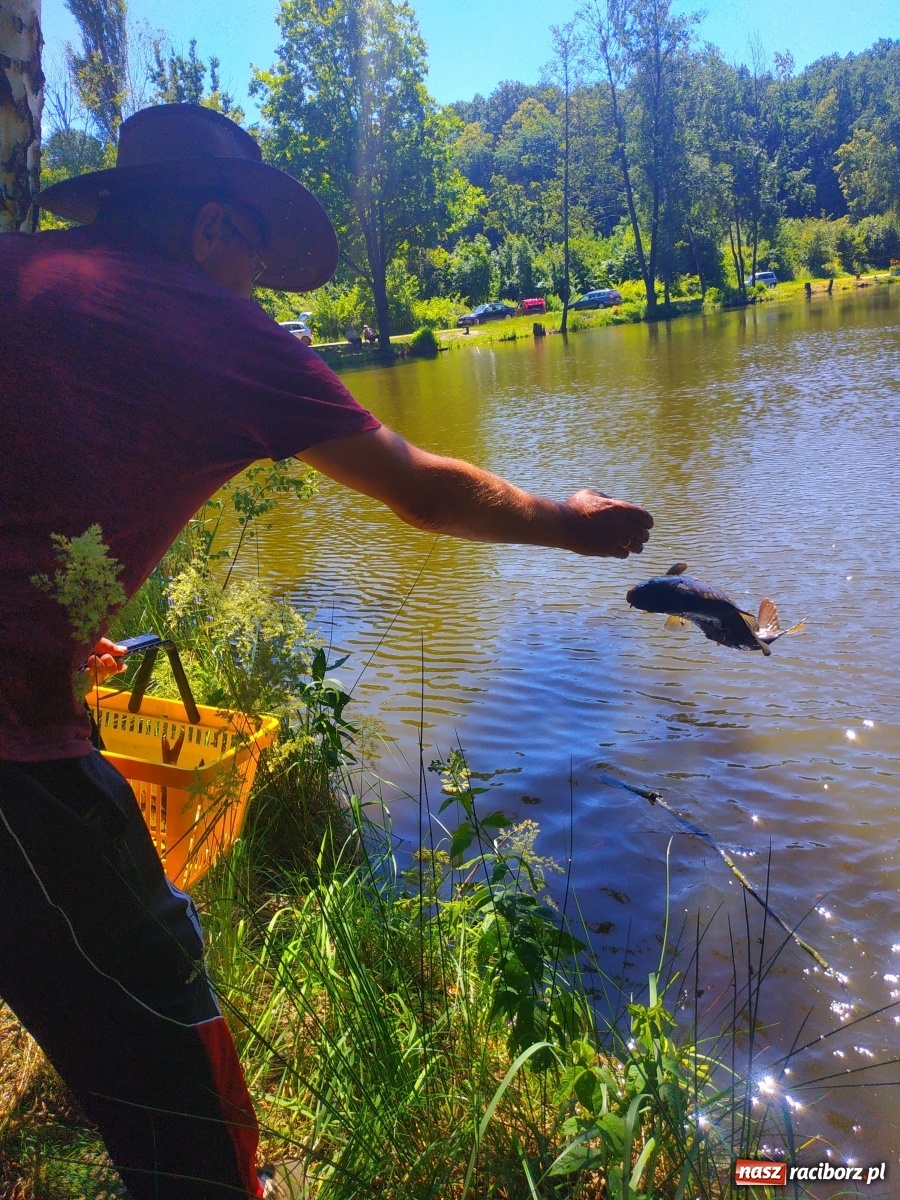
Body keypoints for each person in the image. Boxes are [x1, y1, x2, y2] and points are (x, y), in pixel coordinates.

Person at [0, 104, 653, 1199]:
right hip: (16, 754)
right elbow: (420, 487)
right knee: (162, 1014)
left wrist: (42, 604)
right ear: (213, 227)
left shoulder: (28, 272)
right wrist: (568, 519)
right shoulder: (207, 320)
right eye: (253, 250)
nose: (258, 285)